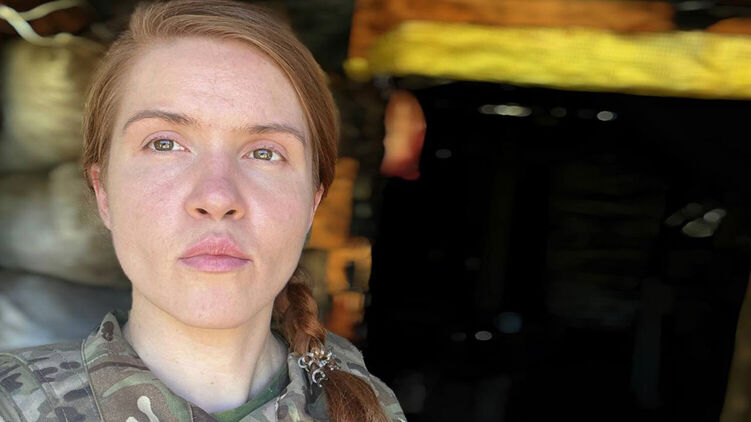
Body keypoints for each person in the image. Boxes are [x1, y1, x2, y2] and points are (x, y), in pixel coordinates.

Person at [0, 1, 406, 421]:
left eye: (264, 153)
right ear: (104, 193)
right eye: (164, 144)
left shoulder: (366, 402)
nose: (216, 197)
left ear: (313, 201)